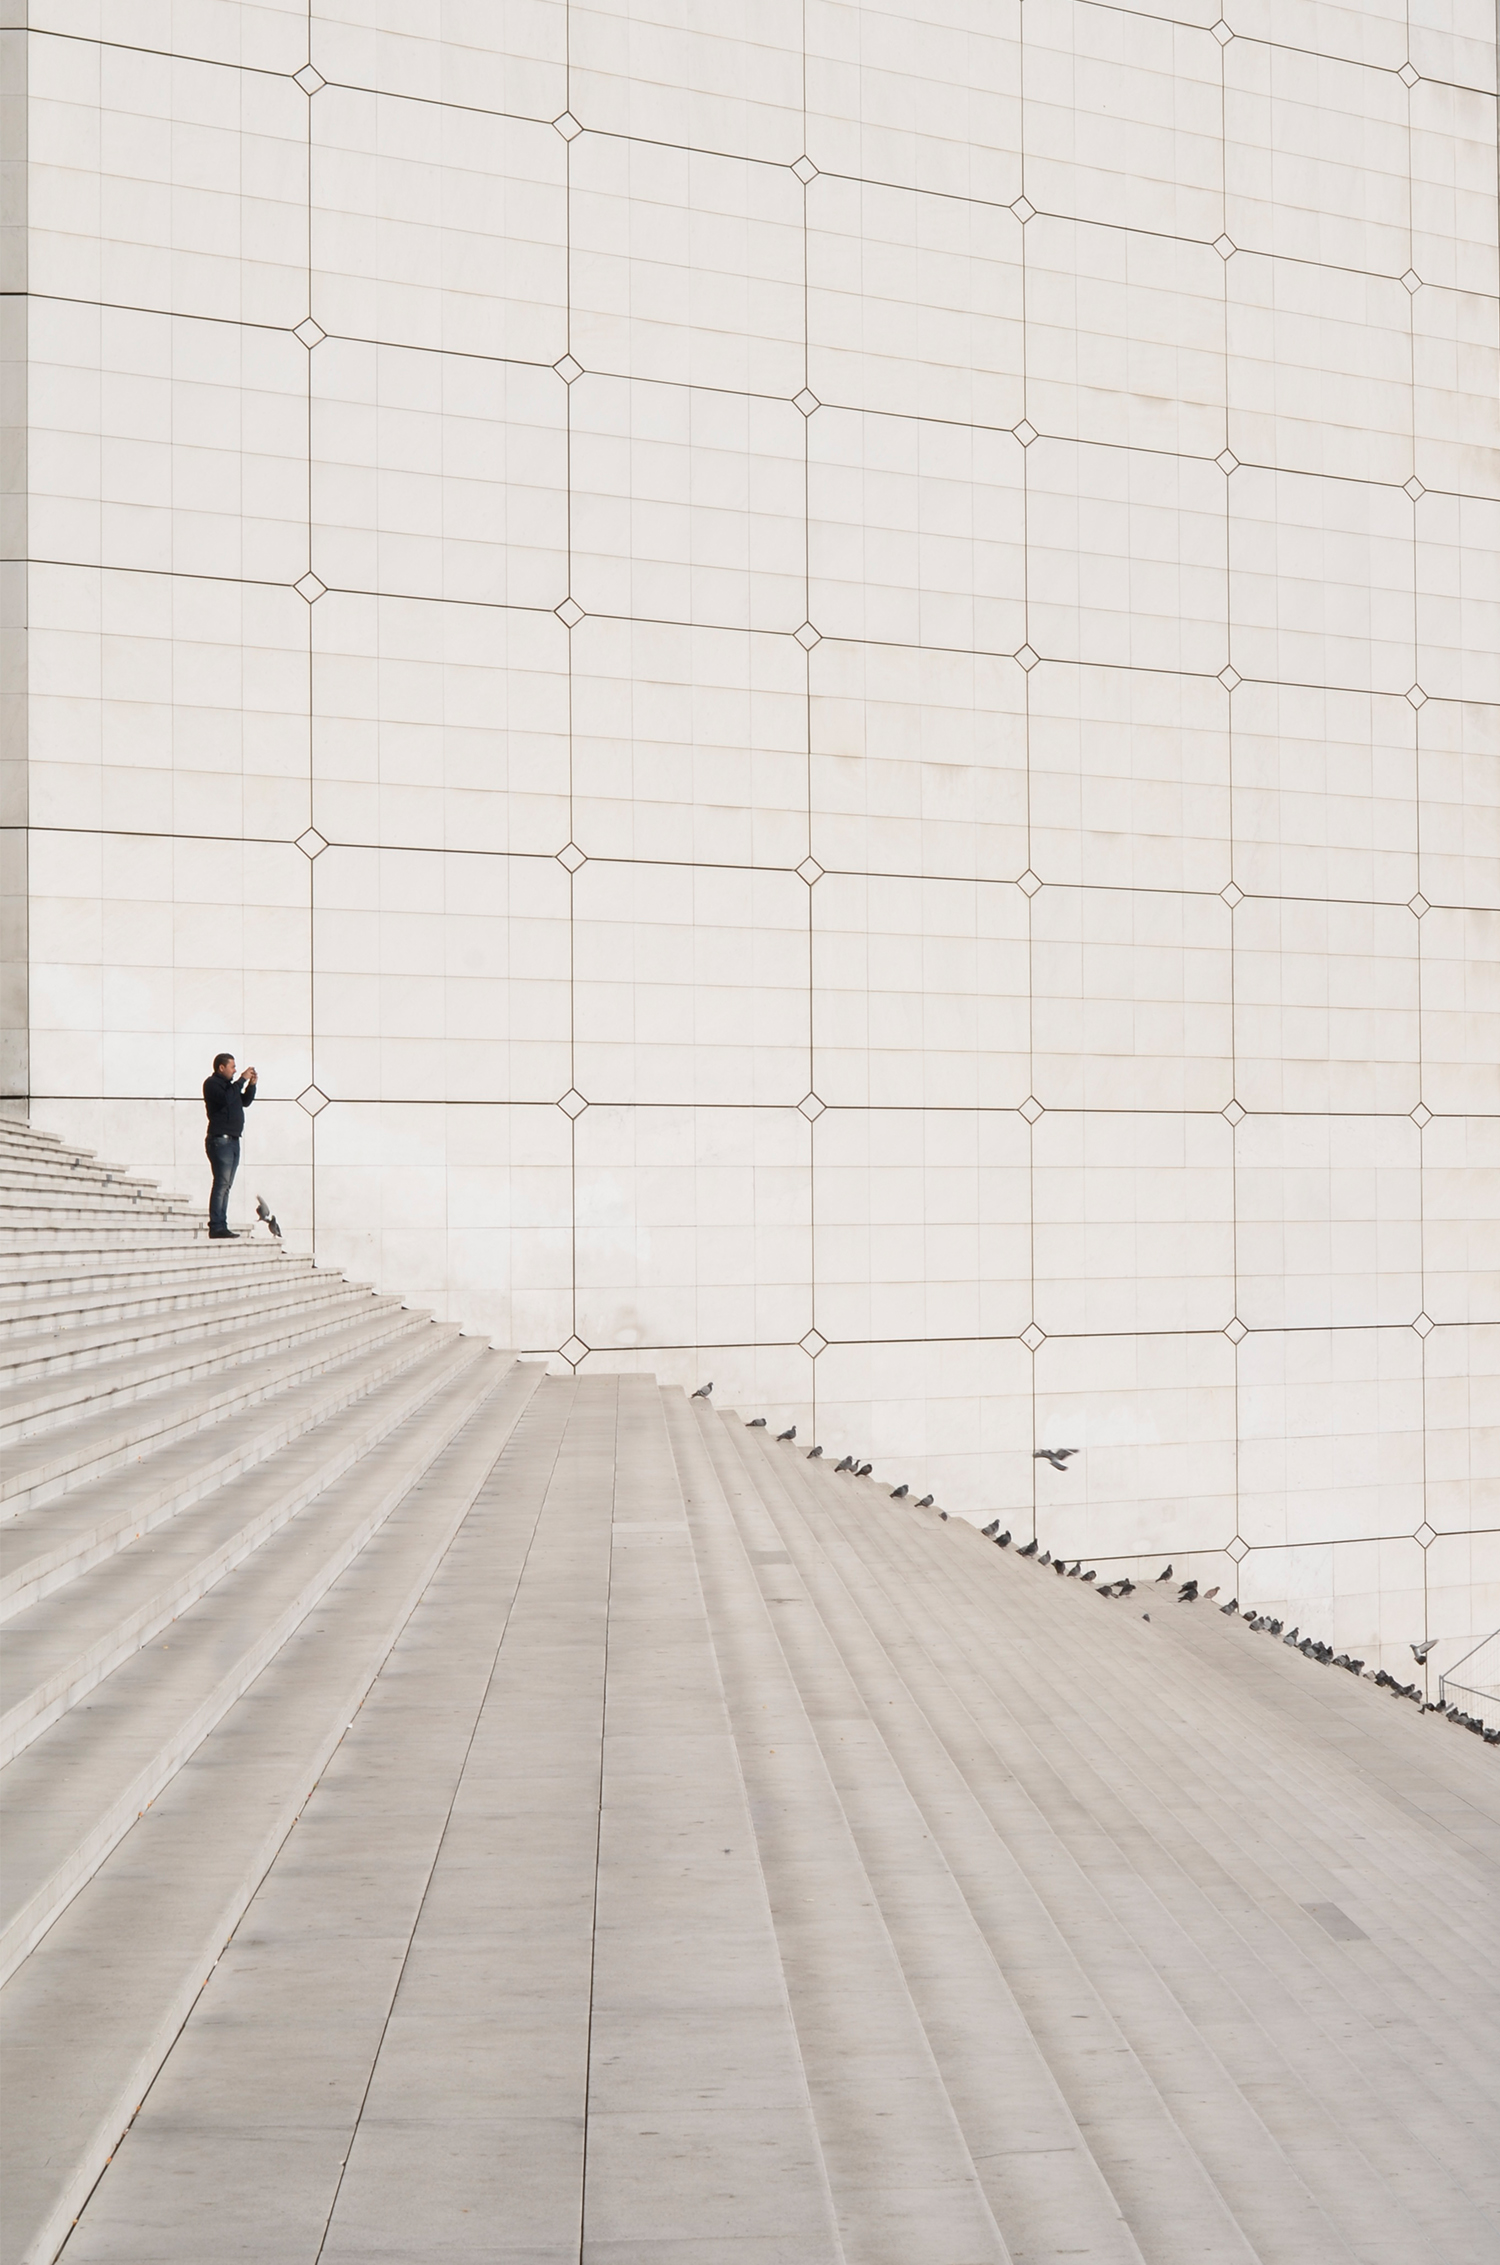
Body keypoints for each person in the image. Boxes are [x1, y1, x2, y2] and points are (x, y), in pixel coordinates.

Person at [203, 1052, 257, 1238]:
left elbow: (244, 1102)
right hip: (220, 1140)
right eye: (232, 1067)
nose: (235, 1071)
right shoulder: (212, 1084)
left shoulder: (229, 1087)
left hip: (233, 1140)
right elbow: (226, 1098)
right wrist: (241, 1080)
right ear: (221, 1067)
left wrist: (251, 1085)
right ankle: (216, 1225)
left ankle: (221, 1224)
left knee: (226, 1185)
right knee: (221, 1183)